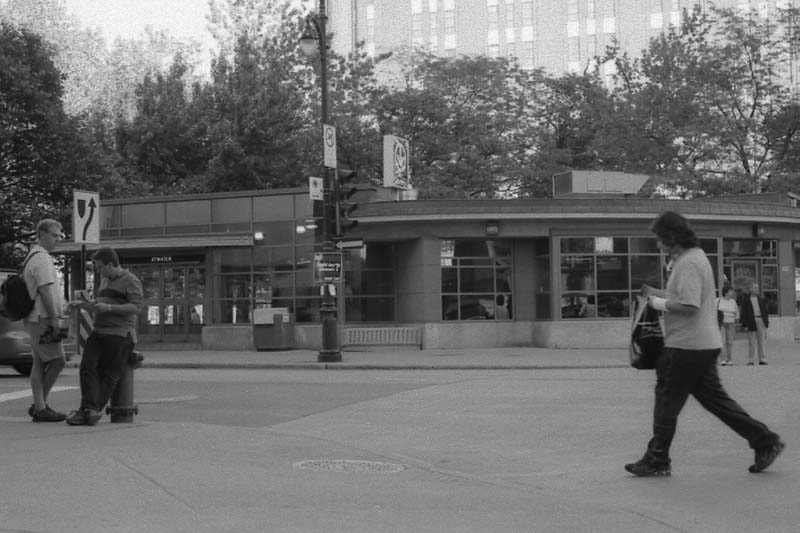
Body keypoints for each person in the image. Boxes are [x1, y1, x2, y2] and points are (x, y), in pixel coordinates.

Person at [625, 211, 784, 477]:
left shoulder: (688, 263)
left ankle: (657, 459)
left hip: (686, 346)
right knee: (715, 401)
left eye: (660, 238)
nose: (657, 244)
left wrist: (656, 303)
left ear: (672, 236)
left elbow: (689, 304)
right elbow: (686, 296)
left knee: (666, 400)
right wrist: (657, 294)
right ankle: (765, 441)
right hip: (702, 343)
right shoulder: (694, 258)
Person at [66, 247, 143, 426]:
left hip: (120, 334)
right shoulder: (104, 280)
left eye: (100, 267)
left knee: (108, 375)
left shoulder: (131, 280)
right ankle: (88, 410)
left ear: (110, 264)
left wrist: (109, 308)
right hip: (99, 330)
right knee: (87, 367)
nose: (98, 271)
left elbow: (136, 307)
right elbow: (99, 304)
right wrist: (83, 305)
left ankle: (90, 410)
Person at [21, 219, 68, 422]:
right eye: (54, 235)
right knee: (58, 361)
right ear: (41, 234)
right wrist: (55, 319)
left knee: (40, 362)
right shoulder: (41, 258)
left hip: (35, 317)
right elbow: (45, 290)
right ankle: (40, 407)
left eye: (59, 236)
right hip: (43, 318)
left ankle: (39, 405)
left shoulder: (33, 256)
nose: (57, 240)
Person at [739, 282, 769, 365]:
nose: (757, 289)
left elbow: (765, 311)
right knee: (751, 341)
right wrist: (744, 324)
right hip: (751, 321)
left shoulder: (761, 299)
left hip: (760, 320)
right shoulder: (746, 300)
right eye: (755, 288)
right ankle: (751, 360)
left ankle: (762, 359)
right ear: (750, 289)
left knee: (761, 341)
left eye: (757, 288)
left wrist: (766, 321)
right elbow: (743, 312)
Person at [717, 286, 739, 366]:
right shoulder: (718, 300)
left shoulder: (733, 301)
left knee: (730, 342)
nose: (732, 293)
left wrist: (736, 321)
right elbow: (713, 311)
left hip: (731, 324)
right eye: (731, 291)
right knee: (722, 342)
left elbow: (736, 312)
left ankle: (729, 359)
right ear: (726, 292)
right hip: (721, 324)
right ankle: (723, 359)